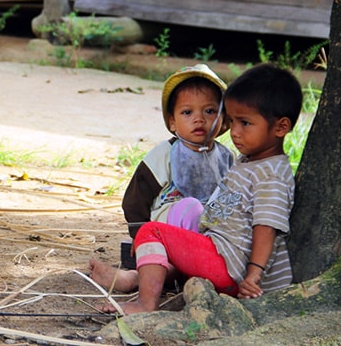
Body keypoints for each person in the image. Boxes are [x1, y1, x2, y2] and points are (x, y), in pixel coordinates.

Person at [98, 63, 302, 314]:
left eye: (245, 123)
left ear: (281, 127)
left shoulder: (271, 174)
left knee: (153, 232)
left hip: (231, 269)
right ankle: (136, 278)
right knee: (172, 242)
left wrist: (253, 275)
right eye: (232, 121)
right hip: (219, 256)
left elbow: (266, 227)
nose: (234, 132)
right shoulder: (250, 161)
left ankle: (145, 303)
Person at [89, 64, 234, 291]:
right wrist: (140, 236)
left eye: (209, 111)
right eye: (187, 112)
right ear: (172, 121)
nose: (199, 119)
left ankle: (137, 279)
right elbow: (136, 197)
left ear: (223, 118)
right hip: (165, 233)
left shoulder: (226, 157)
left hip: (208, 238)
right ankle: (140, 276)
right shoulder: (165, 154)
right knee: (192, 208)